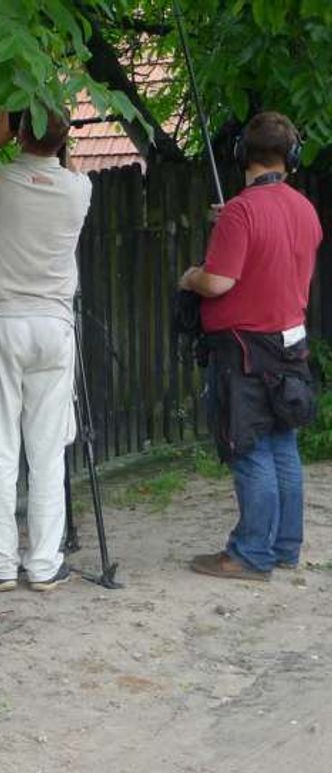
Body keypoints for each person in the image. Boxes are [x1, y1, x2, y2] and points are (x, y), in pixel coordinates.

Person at [0, 109, 92, 592]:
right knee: (48, 451)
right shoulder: (80, 189)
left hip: (2, 321)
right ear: (64, 138)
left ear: (19, 132)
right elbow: (61, 168)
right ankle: (46, 565)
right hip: (54, 323)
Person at [178, 111, 322, 581]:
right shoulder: (303, 208)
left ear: (242, 154)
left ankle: (250, 555)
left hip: (243, 351)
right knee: (283, 444)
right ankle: (283, 548)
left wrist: (190, 277)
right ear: (291, 156)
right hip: (290, 345)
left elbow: (219, 281)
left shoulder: (242, 211)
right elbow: (272, 247)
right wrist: (232, 224)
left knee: (250, 447)